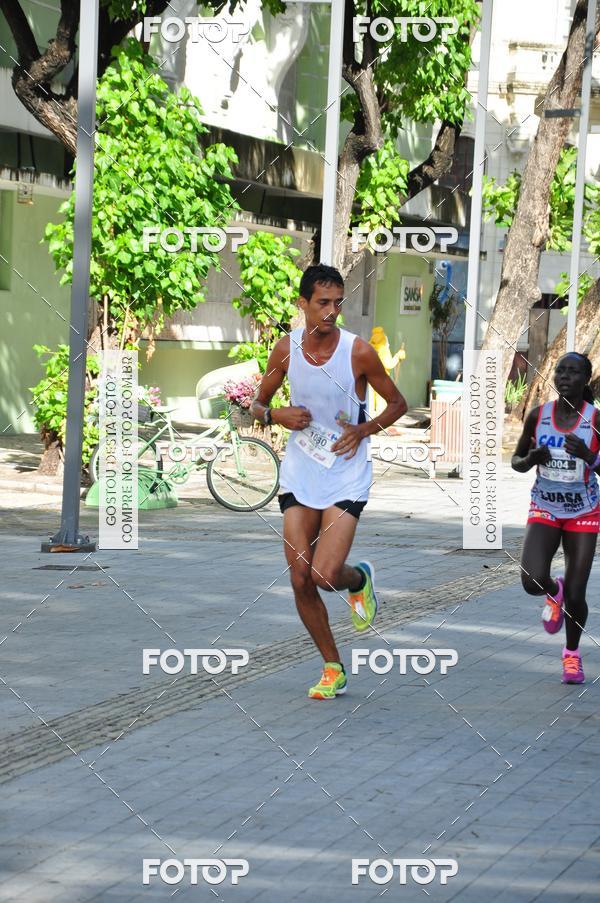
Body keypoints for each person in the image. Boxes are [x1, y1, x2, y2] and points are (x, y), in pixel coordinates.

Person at [251, 264, 407, 699]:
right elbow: (256, 406)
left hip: (346, 474)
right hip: (301, 472)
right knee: (300, 578)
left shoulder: (358, 352)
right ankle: (332, 666)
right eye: (323, 303)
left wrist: (363, 429)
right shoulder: (285, 350)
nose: (331, 311)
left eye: (338, 303)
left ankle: (357, 581)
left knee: (323, 573)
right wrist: (275, 415)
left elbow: (398, 403)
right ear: (302, 304)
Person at [512, 353, 600, 684]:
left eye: (572, 372)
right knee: (532, 580)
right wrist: (532, 457)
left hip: (584, 511)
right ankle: (553, 590)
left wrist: (589, 456)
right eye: (560, 370)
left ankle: (572, 655)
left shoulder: (595, 419)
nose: (564, 376)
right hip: (545, 507)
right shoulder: (538, 416)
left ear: (585, 380)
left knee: (577, 594)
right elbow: (517, 461)